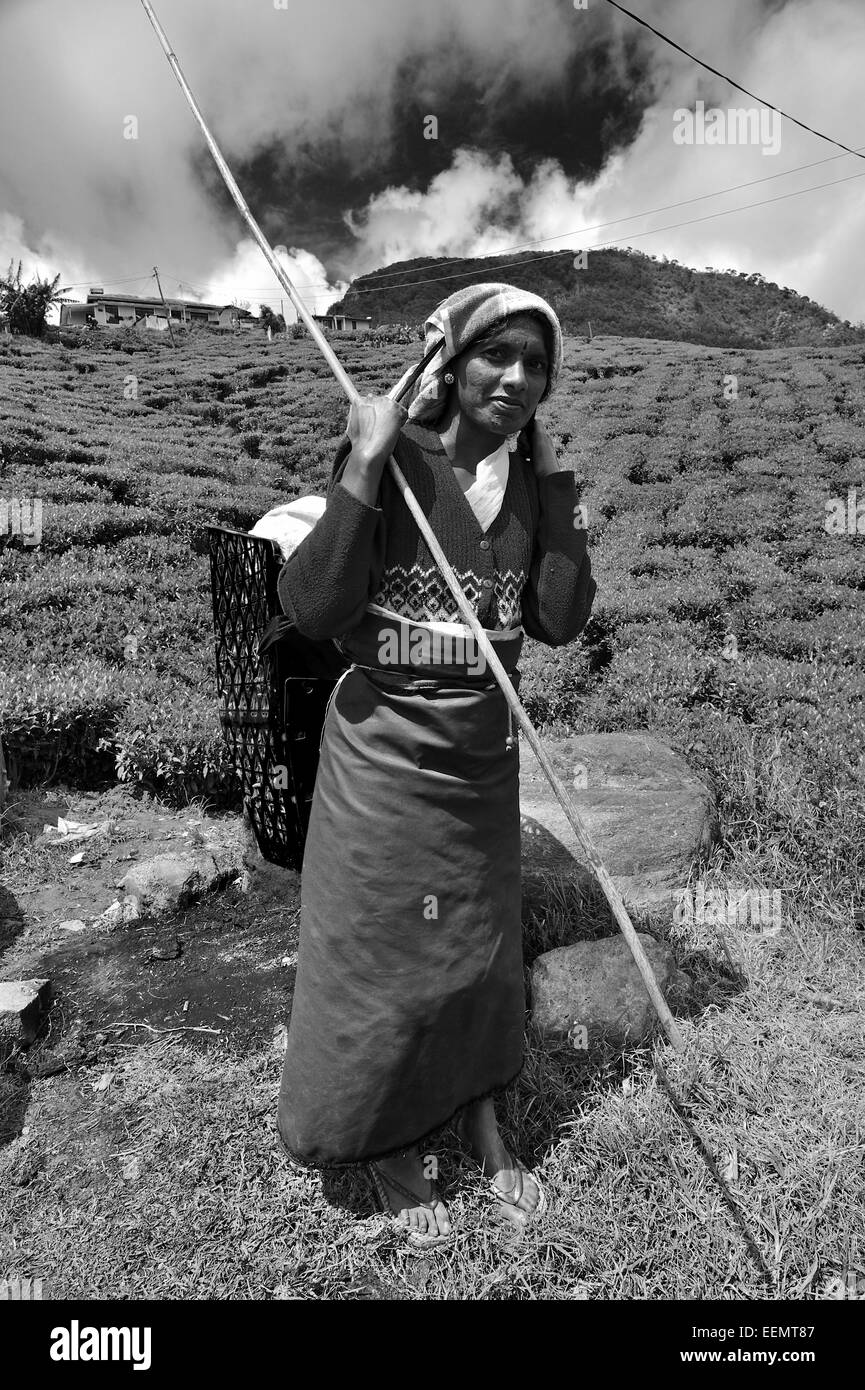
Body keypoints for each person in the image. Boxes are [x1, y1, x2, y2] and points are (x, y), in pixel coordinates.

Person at [275, 281, 596, 1248]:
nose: (516, 379)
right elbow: (314, 608)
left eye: (534, 363)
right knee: (379, 955)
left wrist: (556, 493)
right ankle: (380, 1141)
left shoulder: (526, 487)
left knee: (474, 949)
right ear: (449, 365)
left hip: (479, 758)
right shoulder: (397, 460)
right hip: (383, 755)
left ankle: (477, 1114)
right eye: (495, 355)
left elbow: (557, 617)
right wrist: (363, 467)